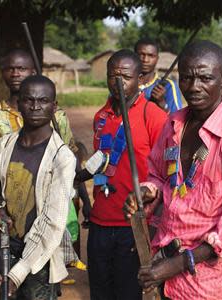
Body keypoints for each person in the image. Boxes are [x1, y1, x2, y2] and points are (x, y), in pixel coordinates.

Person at [123, 40, 222, 299]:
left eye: (205, 78)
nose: (194, 87)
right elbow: (157, 174)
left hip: (210, 283)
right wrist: (145, 191)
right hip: (164, 267)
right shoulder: (173, 124)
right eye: (187, 78)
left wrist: (176, 265)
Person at [74, 49, 167, 300]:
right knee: (100, 292)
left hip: (133, 223)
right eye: (112, 75)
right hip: (100, 220)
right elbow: (101, 163)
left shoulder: (154, 116)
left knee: (128, 293)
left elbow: (167, 174)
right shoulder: (100, 116)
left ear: (139, 78)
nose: (118, 82)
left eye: (125, 76)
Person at [0, 75, 76, 299]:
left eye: (43, 101)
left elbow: (52, 221)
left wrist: (18, 273)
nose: (35, 106)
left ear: (54, 106)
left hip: (40, 258)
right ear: (19, 104)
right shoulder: (2, 147)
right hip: (5, 248)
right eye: (29, 100)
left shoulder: (61, 158)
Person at [135, 38, 183, 113]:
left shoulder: (168, 86)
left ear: (157, 59)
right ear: (134, 56)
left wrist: (162, 104)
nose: (145, 60)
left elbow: (177, 121)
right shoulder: (124, 84)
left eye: (151, 56)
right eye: (141, 55)